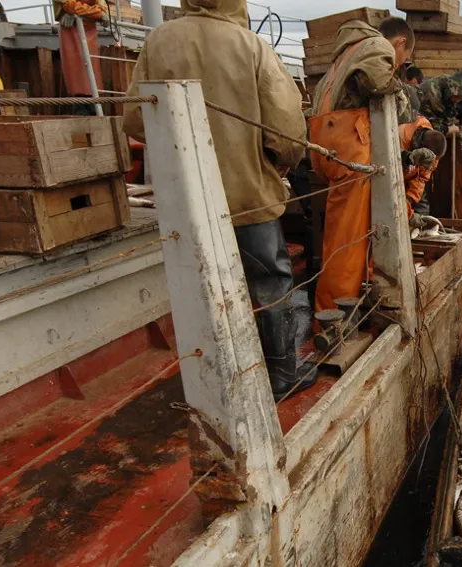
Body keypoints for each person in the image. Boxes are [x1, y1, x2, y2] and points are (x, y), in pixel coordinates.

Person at [123, 0, 313, 400]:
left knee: (199, 285)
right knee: (268, 282)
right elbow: (287, 131)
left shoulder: (158, 42)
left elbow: (135, 119)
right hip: (248, 195)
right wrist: (280, 162)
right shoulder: (251, 46)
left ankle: (215, 381)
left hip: (186, 201)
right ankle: (280, 375)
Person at [307, 16, 414, 314]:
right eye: (402, 60)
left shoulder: (342, 57)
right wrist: (400, 96)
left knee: (348, 233)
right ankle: (333, 320)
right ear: (400, 43)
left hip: (326, 146)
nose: (399, 65)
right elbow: (377, 80)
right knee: (347, 247)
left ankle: (361, 297)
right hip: (348, 149)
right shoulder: (376, 45)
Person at [54, 0, 108, 115]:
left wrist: (77, 12)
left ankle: (89, 105)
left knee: (90, 71)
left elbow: (102, 9)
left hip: (88, 29)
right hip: (71, 29)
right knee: (76, 70)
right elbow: (69, 5)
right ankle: (82, 106)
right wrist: (95, 13)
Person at [398, 115, 445, 226]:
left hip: (409, 180)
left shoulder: (431, 154)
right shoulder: (400, 138)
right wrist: (408, 213)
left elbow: (422, 177)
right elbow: (389, 181)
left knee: (423, 210)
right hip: (395, 178)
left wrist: (410, 198)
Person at [417, 71, 462, 153]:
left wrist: (458, 130)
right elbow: (433, 126)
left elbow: (450, 115)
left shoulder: (448, 88)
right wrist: (449, 129)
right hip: (418, 126)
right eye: (457, 97)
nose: (457, 101)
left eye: (461, 98)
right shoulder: (433, 92)